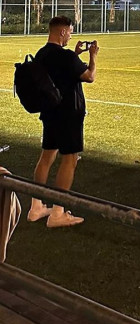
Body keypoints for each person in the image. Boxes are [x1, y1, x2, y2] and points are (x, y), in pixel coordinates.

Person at [27, 16, 98, 228]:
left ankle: (35, 206)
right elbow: (89, 76)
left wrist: (76, 54)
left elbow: (60, 73)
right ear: (62, 32)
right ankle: (58, 212)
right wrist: (92, 56)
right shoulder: (65, 56)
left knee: (46, 157)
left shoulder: (42, 54)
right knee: (70, 159)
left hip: (50, 113)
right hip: (68, 114)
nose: (70, 36)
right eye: (69, 32)